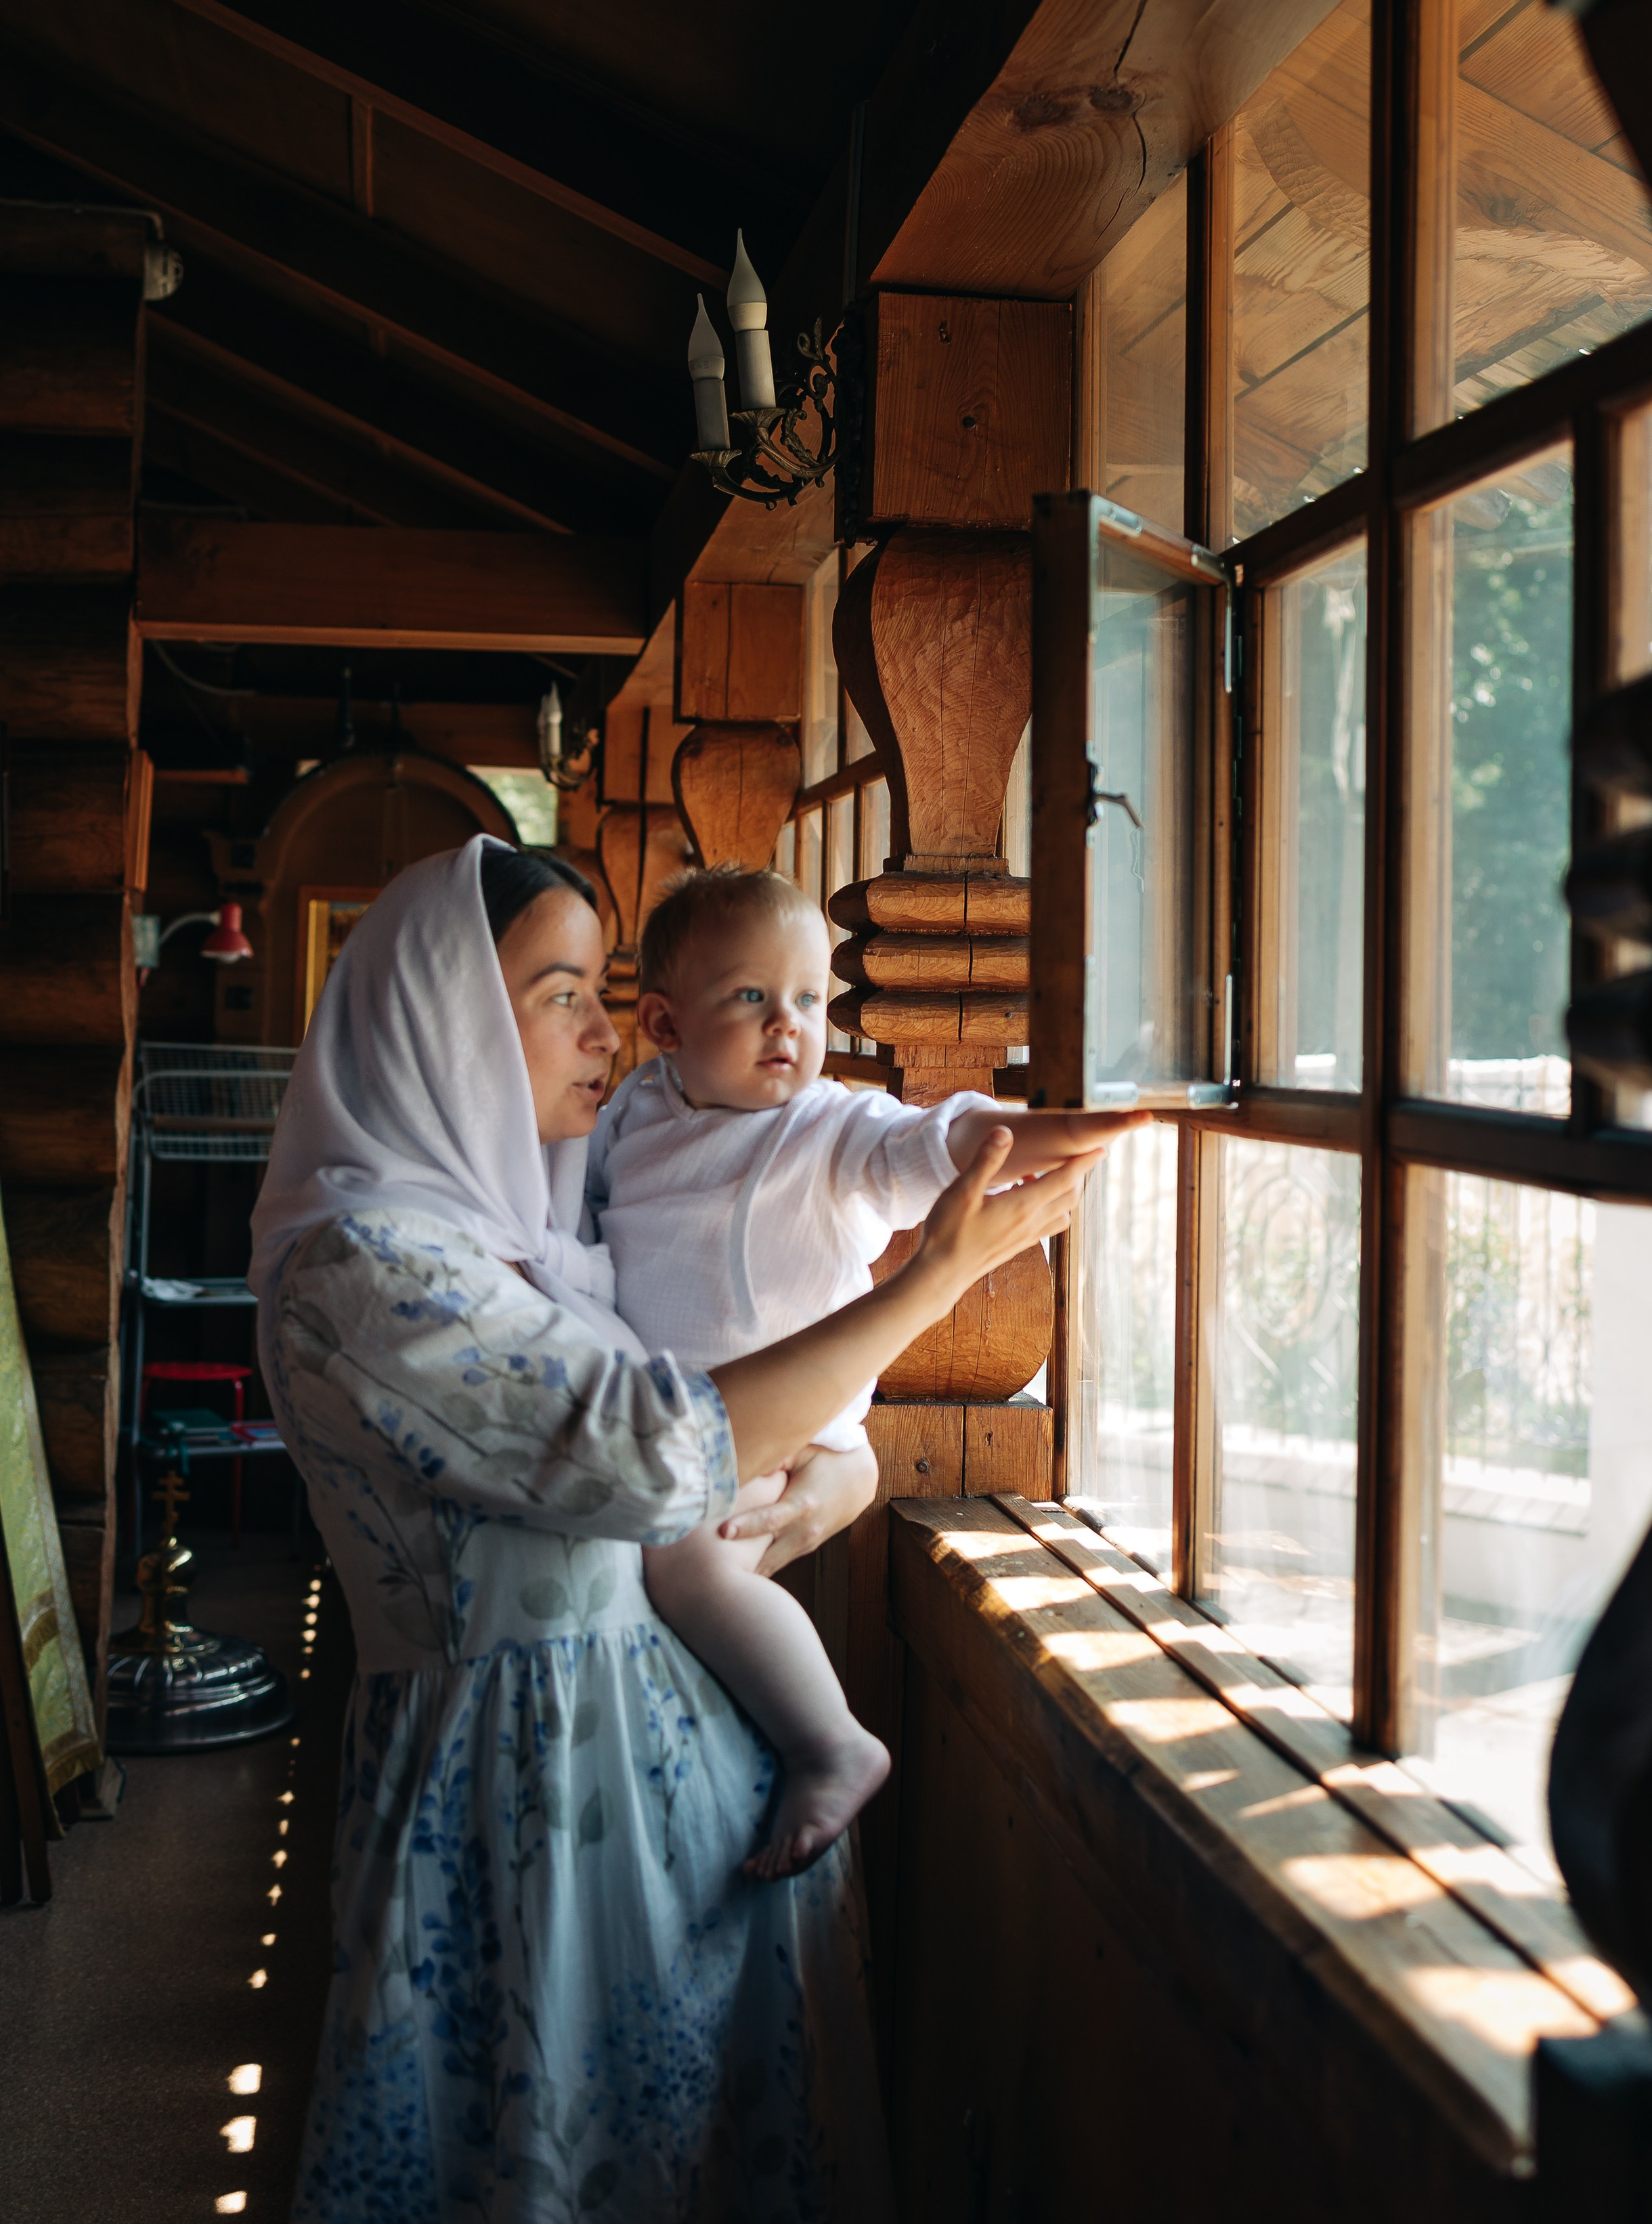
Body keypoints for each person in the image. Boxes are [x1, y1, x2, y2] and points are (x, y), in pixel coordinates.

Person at [250, 834, 1097, 2223]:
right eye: (561, 993)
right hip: (524, 1818)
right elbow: (653, 1456)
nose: (605, 1030)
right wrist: (930, 1283)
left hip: (678, 1804)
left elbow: (732, 1415)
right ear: (445, 1019)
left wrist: (847, 1477)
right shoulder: (369, 1270)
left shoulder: (521, 1232)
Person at [590, 865, 1147, 1879]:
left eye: (808, 999)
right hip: (683, 1422)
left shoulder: (827, 1128)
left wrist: (1074, 1127)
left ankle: (832, 1743)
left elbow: (943, 1137)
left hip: (788, 1425)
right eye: (750, 997)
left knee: (686, 1565)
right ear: (664, 1026)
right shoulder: (634, 1115)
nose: (787, 1025)